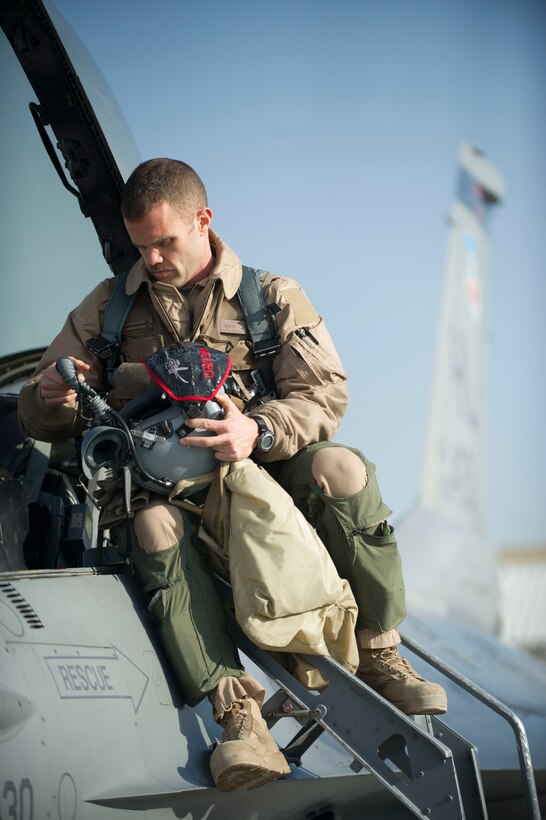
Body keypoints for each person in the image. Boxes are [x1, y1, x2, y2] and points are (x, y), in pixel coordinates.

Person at [18, 158, 447, 792]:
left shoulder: (269, 297)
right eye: (142, 246)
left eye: (165, 242)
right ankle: (238, 715)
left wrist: (258, 429)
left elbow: (324, 394)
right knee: (154, 530)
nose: (154, 259)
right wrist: (51, 397)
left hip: (263, 470)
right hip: (164, 490)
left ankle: (381, 651)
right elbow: (44, 403)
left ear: (204, 221)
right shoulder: (108, 311)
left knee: (342, 468)